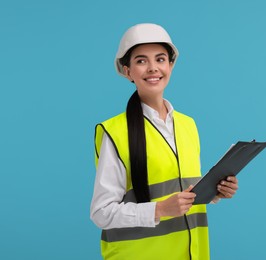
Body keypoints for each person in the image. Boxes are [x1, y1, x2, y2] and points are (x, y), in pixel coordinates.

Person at [90, 23, 238, 260]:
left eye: (160, 59)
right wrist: (159, 210)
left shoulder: (187, 124)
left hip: (192, 253)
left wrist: (215, 192)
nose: (152, 68)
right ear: (128, 71)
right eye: (141, 61)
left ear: (170, 65)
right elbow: (101, 213)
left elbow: (183, 191)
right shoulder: (114, 132)